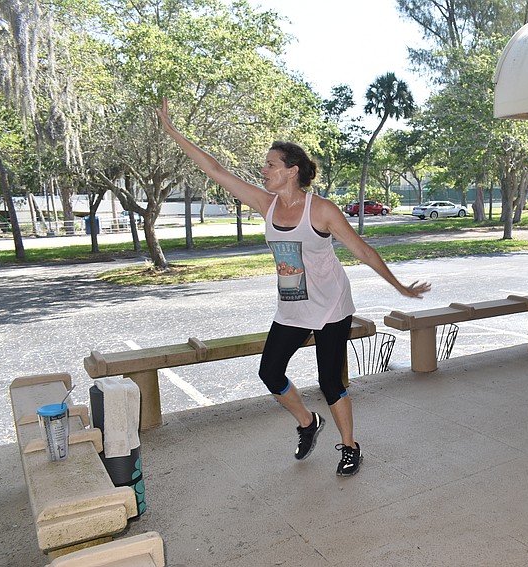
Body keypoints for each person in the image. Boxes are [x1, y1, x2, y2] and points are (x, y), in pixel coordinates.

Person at [157, 99, 430, 476]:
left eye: (271, 164)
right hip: (293, 306)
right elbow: (216, 169)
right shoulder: (265, 203)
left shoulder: (322, 210)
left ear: (292, 171)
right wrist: (173, 132)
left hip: (331, 304)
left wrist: (399, 286)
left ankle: (350, 448)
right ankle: (307, 423)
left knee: (330, 381)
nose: (263, 169)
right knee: (270, 371)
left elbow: (363, 251)